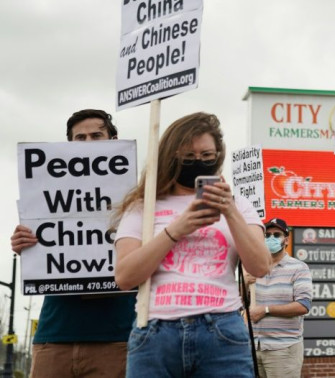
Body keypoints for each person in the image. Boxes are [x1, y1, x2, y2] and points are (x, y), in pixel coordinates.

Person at [113, 112, 270, 377]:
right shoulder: (144, 206)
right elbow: (125, 276)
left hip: (222, 330)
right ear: (170, 157)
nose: (198, 162)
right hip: (155, 332)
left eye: (207, 156)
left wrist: (229, 210)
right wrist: (176, 229)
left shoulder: (240, 205)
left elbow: (261, 265)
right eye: (188, 157)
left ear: (218, 155)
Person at [10, 108, 136, 378]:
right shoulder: (44, 193)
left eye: (96, 135)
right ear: (68, 145)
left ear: (114, 140)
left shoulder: (137, 195)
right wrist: (25, 244)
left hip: (116, 337)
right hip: (55, 335)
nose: (88, 143)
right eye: (80, 138)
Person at [245, 217, 312, 378]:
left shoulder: (298, 268)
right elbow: (239, 303)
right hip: (252, 348)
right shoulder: (252, 268)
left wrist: (266, 310)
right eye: (267, 235)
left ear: (286, 240)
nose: (271, 239)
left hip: (283, 350)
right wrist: (244, 284)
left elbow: (303, 305)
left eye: (277, 235)